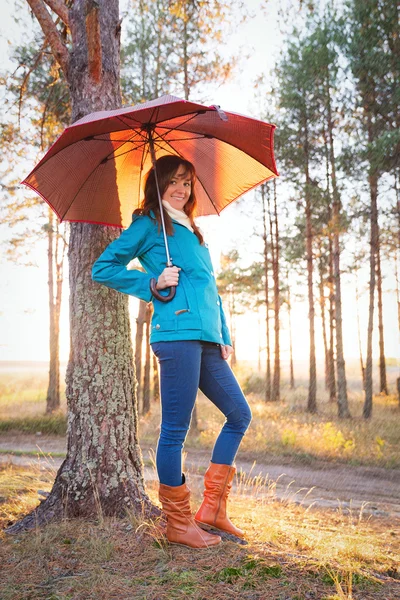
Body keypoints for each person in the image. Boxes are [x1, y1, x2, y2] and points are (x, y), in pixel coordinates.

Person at [92, 155, 252, 548]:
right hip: (176, 334)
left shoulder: (193, 231)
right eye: (175, 182)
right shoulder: (148, 225)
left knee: (239, 414)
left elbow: (208, 287)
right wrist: (152, 281)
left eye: (187, 183)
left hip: (207, 337)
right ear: (159, 184)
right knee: (175, 431)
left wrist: (224, 332)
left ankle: (212, 509)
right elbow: (103, 267)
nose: (182, 189)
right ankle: (178, 523)